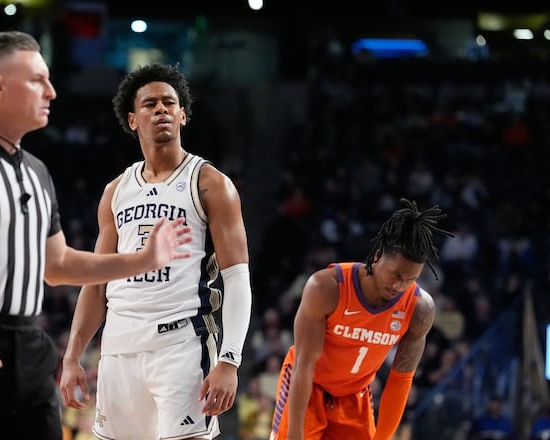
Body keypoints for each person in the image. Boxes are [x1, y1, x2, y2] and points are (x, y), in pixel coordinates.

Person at [0, 32, 193, 440]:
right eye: (37, 80)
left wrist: (142, 260)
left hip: (29, 347)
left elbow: (59, 266)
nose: (51, 92)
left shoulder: (37, 171)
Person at [59, 63, 253, 440]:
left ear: (183, 114)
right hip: (118, 348)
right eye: (150, 104)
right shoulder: (115, 191)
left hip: (181, 344)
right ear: (132, 119)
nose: (161, 109)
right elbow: (96, 284)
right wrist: (72, 356)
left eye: (169, 102)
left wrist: (229, 359)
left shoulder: (211, 183)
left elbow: (237, 278)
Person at [270, 199, 454, 440]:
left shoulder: (420, 308)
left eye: (410, 279)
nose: (400, 285)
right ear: (378, 256)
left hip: (354, 395)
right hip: (308, 387)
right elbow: (304, 365)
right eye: (396, 274)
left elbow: (401, 380)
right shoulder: (327, 287)